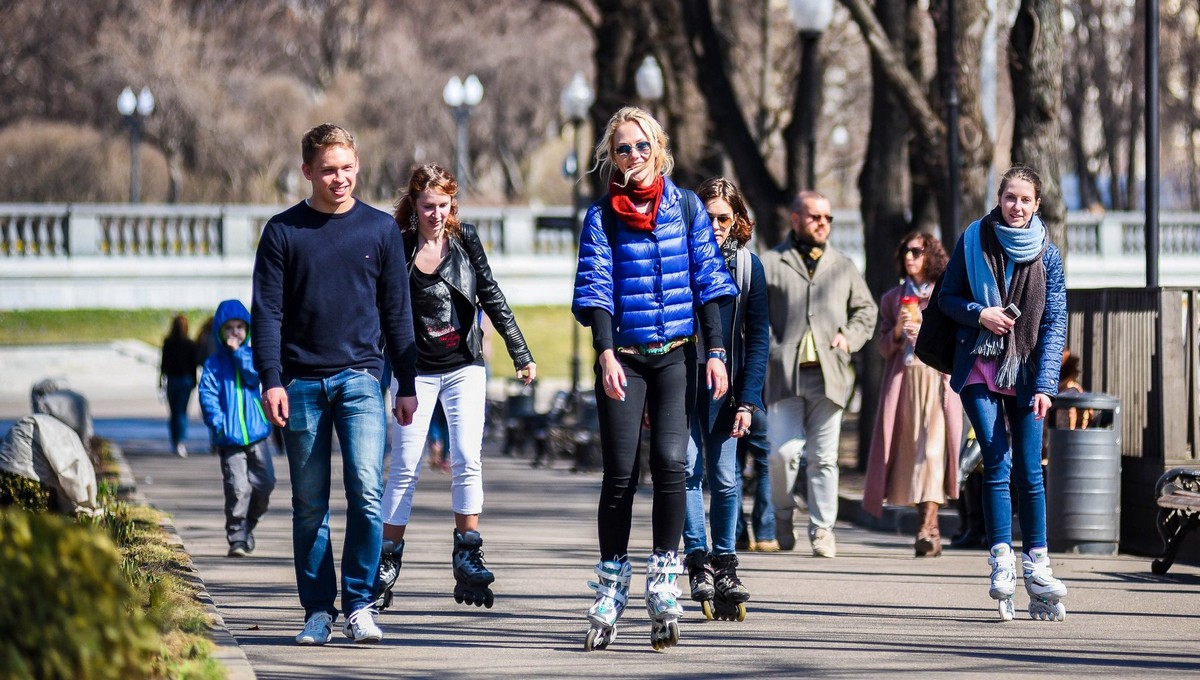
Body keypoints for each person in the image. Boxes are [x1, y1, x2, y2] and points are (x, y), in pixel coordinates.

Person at [573, 106, 736, 651]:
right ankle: (612, 579)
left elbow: (709, 283)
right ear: (612, 157)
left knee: (671, 460)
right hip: (623, 355)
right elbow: (595, 286)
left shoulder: (687, 207)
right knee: (620, 470)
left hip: (676, 356)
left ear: (659, 148)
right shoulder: (601, 217)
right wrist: (603, 351)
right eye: (623, 149)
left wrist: (715, 351)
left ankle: (664, 574)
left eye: (643, 147)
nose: (634, 157)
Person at [252, 123, 418, 646]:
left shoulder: (380, 230)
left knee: (367, 493)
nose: (340, 178)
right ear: (308, 172)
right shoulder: (283, 232)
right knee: (309, 505)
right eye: (328, 169)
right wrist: (271, 380)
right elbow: (268, 313)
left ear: (358, 166)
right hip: (301, 384)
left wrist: (407, 383)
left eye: (347, 168)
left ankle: (361, 604)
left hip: (361, 381)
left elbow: (397, 312)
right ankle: (318, 610)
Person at [376, 163, 535, 612]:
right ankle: (387, 560)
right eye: (428, 206)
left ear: (453, 204)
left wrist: (520, 352)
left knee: (467, 456)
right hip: (414, 373)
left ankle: (468, 552)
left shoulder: (465, 242)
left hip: (465, 365)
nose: (436, 215)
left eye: (444, 206)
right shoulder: (398, 245)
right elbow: (382, 309)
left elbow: (492, 295)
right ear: (414, 203)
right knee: (404, 465)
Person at [938, 164, 1068, 621]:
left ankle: (1037, 560)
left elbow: (1054, 323)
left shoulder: (1048, 255)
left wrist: (1047, 386)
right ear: (1000, 198)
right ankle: (1001, 560)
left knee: (1030, 471)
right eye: (1010, 197)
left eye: (1025, 200)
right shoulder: (974, 238)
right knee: (997, 461)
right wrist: (980, 314)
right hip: (979, 365)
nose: (1016, 206)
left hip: (1029, 375)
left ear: (1037, 205)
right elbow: (946, 298)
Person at [762, 191, 877, 557]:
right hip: (784, 376)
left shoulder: (843, 266)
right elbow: (755, 316)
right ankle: (783, 512)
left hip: (830, 375)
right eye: (815, 217)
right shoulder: (770, 262)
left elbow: (866, 311)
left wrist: (850, 338)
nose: (823, 224)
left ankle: (822, 529)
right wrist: (772, 348)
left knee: (824, 458)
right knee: (783, 454)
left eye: (827, 218)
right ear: (795, 220)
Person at [681, 177, 769, 622]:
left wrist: (748, 401)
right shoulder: (678, 258)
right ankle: (698, 562)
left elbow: (757, 340)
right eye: (708, 216)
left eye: (723, 218)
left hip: (726, 389)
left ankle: (726, 563)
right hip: (681, 382)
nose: (715, 225)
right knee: (687, 470)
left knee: (726, 476)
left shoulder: (749, 268)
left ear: (737, 222)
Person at [862, 232, 964, 557]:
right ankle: (930, 531)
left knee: (933, 453)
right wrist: (896, 331)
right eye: (906, 251)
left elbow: (956, 337)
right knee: (908, 455)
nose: (910, 257)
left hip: (937, 380)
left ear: (930, 255)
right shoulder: (893, 298)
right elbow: (881, 347)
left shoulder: (945, 293)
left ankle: (924, 528)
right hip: (905, 381)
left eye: (917, 251)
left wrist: (926, 330)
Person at [198, 299, 276, 558]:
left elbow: (256, 377)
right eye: (229, 328)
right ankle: (237, 537)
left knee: (265, 483)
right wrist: (217, 423)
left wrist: (239, 354)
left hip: (256, 434)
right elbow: (207, 395)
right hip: (229, 438)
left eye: (240, 327)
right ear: (220, 331)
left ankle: (248, 525)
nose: (234, 332)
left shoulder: (252, 357)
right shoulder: (214, 365)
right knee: (238, 487)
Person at [735, 409, 776, 552]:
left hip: (728, 408)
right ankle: (765, 534)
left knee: (733, 472)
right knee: (766, 469)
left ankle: (738, 534)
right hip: (759, 406)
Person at [160, 313, 200, 458]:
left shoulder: (168, 342)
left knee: (174, 412)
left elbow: (163, 364)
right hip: (185, 380)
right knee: (182, 412)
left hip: (172, 380)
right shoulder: (190, 344)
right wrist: (194, 381)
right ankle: (180, 441)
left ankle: (174, 440)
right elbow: (193, 365)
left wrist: (160, 381)